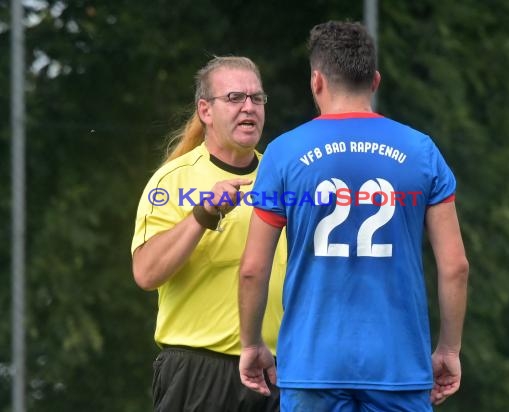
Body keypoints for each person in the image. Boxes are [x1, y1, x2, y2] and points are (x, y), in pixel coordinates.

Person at [238, 21, 469, 411]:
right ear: (374, 80)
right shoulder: (421, 151)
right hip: (399, 367)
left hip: (311, 367)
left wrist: (251, 343)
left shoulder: (284, 153)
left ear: (316, 82)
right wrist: (449, 348)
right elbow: (455, 267)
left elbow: (252, 269)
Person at [131, 56, 286, 412]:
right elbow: (145, 272)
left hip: (275, 372)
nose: (249, 107)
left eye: (256, 98)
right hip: (198, 370)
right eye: (234, 98)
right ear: (205, 110)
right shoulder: (173, 180)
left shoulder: (283, 177)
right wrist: (202, 214)